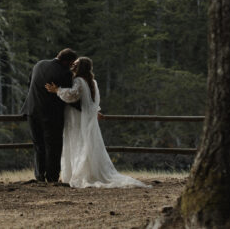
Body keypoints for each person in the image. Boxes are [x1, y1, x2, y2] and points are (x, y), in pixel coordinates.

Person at [45, 57, 148, 189]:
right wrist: (95, 112)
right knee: (84, 142)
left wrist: (57, 90)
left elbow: (73, 95)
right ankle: (84, 171)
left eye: (75, 64)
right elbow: (94, 101)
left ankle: (78, 173)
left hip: (77, 118)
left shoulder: (78, 80)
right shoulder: (92, 82)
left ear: (80, 67)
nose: (73, 65)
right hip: (85, 117)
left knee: (77, 141)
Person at [20, 48, 78, 182]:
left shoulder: (39, 64)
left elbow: (30, 85)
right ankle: (52, 177)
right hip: (52, 114)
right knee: (54, 146)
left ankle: (39, 175)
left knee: (38, 145)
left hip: (32, 110)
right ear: (67, 62)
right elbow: (67, 96)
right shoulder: (64, 73)